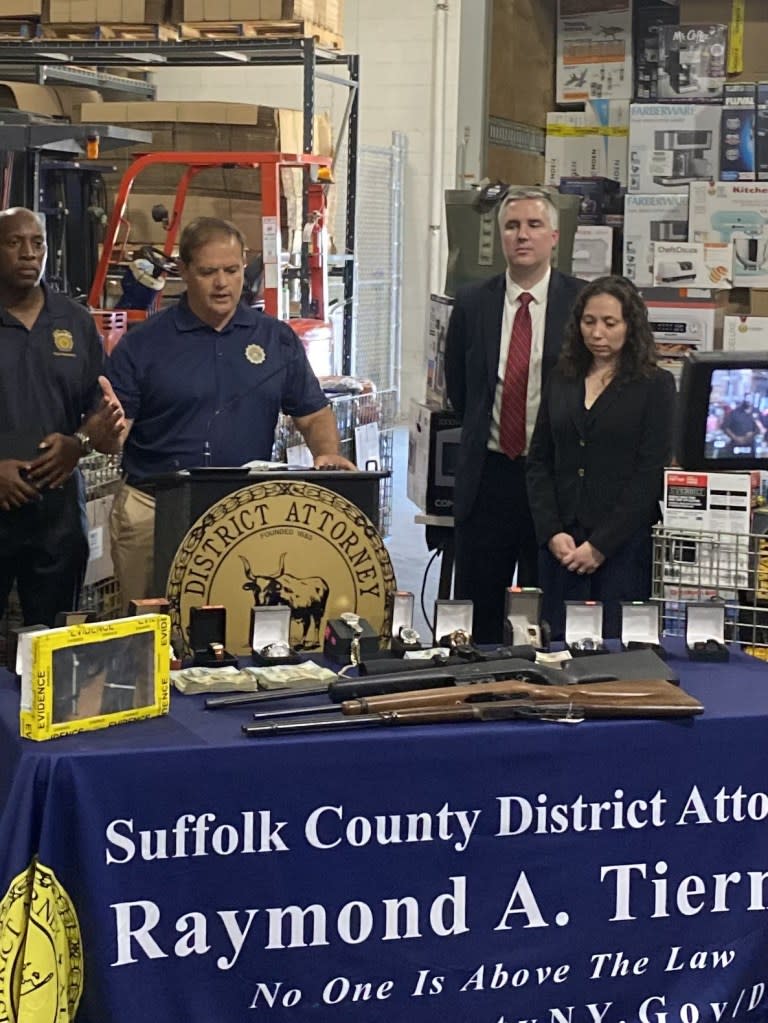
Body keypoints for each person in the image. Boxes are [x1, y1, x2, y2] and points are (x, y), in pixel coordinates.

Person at [107, 216, 355, 608]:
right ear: (184, 272)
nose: (222, 283)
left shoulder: (276, 339)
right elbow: (115, 433)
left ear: (244, 267)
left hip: (244, 512)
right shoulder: (143, 345)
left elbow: (312, 413)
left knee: (238, 624)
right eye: (208, 272)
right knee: (147, 630)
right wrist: (105, 430)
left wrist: (327, 452)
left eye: (231, 270)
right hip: (153, 511)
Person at [444, 187, 585, 643]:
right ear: (501, 236)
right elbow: (460, 391)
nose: (522, 235)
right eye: (512, 226)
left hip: (553, 481)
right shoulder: (472, 302)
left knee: (546, 609)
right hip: (488, 476)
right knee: (479, 607)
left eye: (533, 225)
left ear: (554, 238)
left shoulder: (581, 304)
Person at [526, 275, 676, 640]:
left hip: (621, 548)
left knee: (614, 652)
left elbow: (649, 473)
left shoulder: (655, 385)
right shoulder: (561, 377)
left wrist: (600, 546)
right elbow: (539, 460)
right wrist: (552, 532)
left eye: (610, 323)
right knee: (555, 645)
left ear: (630, 326)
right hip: (562, 543)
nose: (597, 333)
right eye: (589, 321)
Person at [0, 207, 124, 626]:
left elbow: (99, 412)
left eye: (38, 244)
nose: (28, 254)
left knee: (53, 640)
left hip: (57, 516)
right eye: (14, 242)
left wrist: (80, 444)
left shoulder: (74, 321)